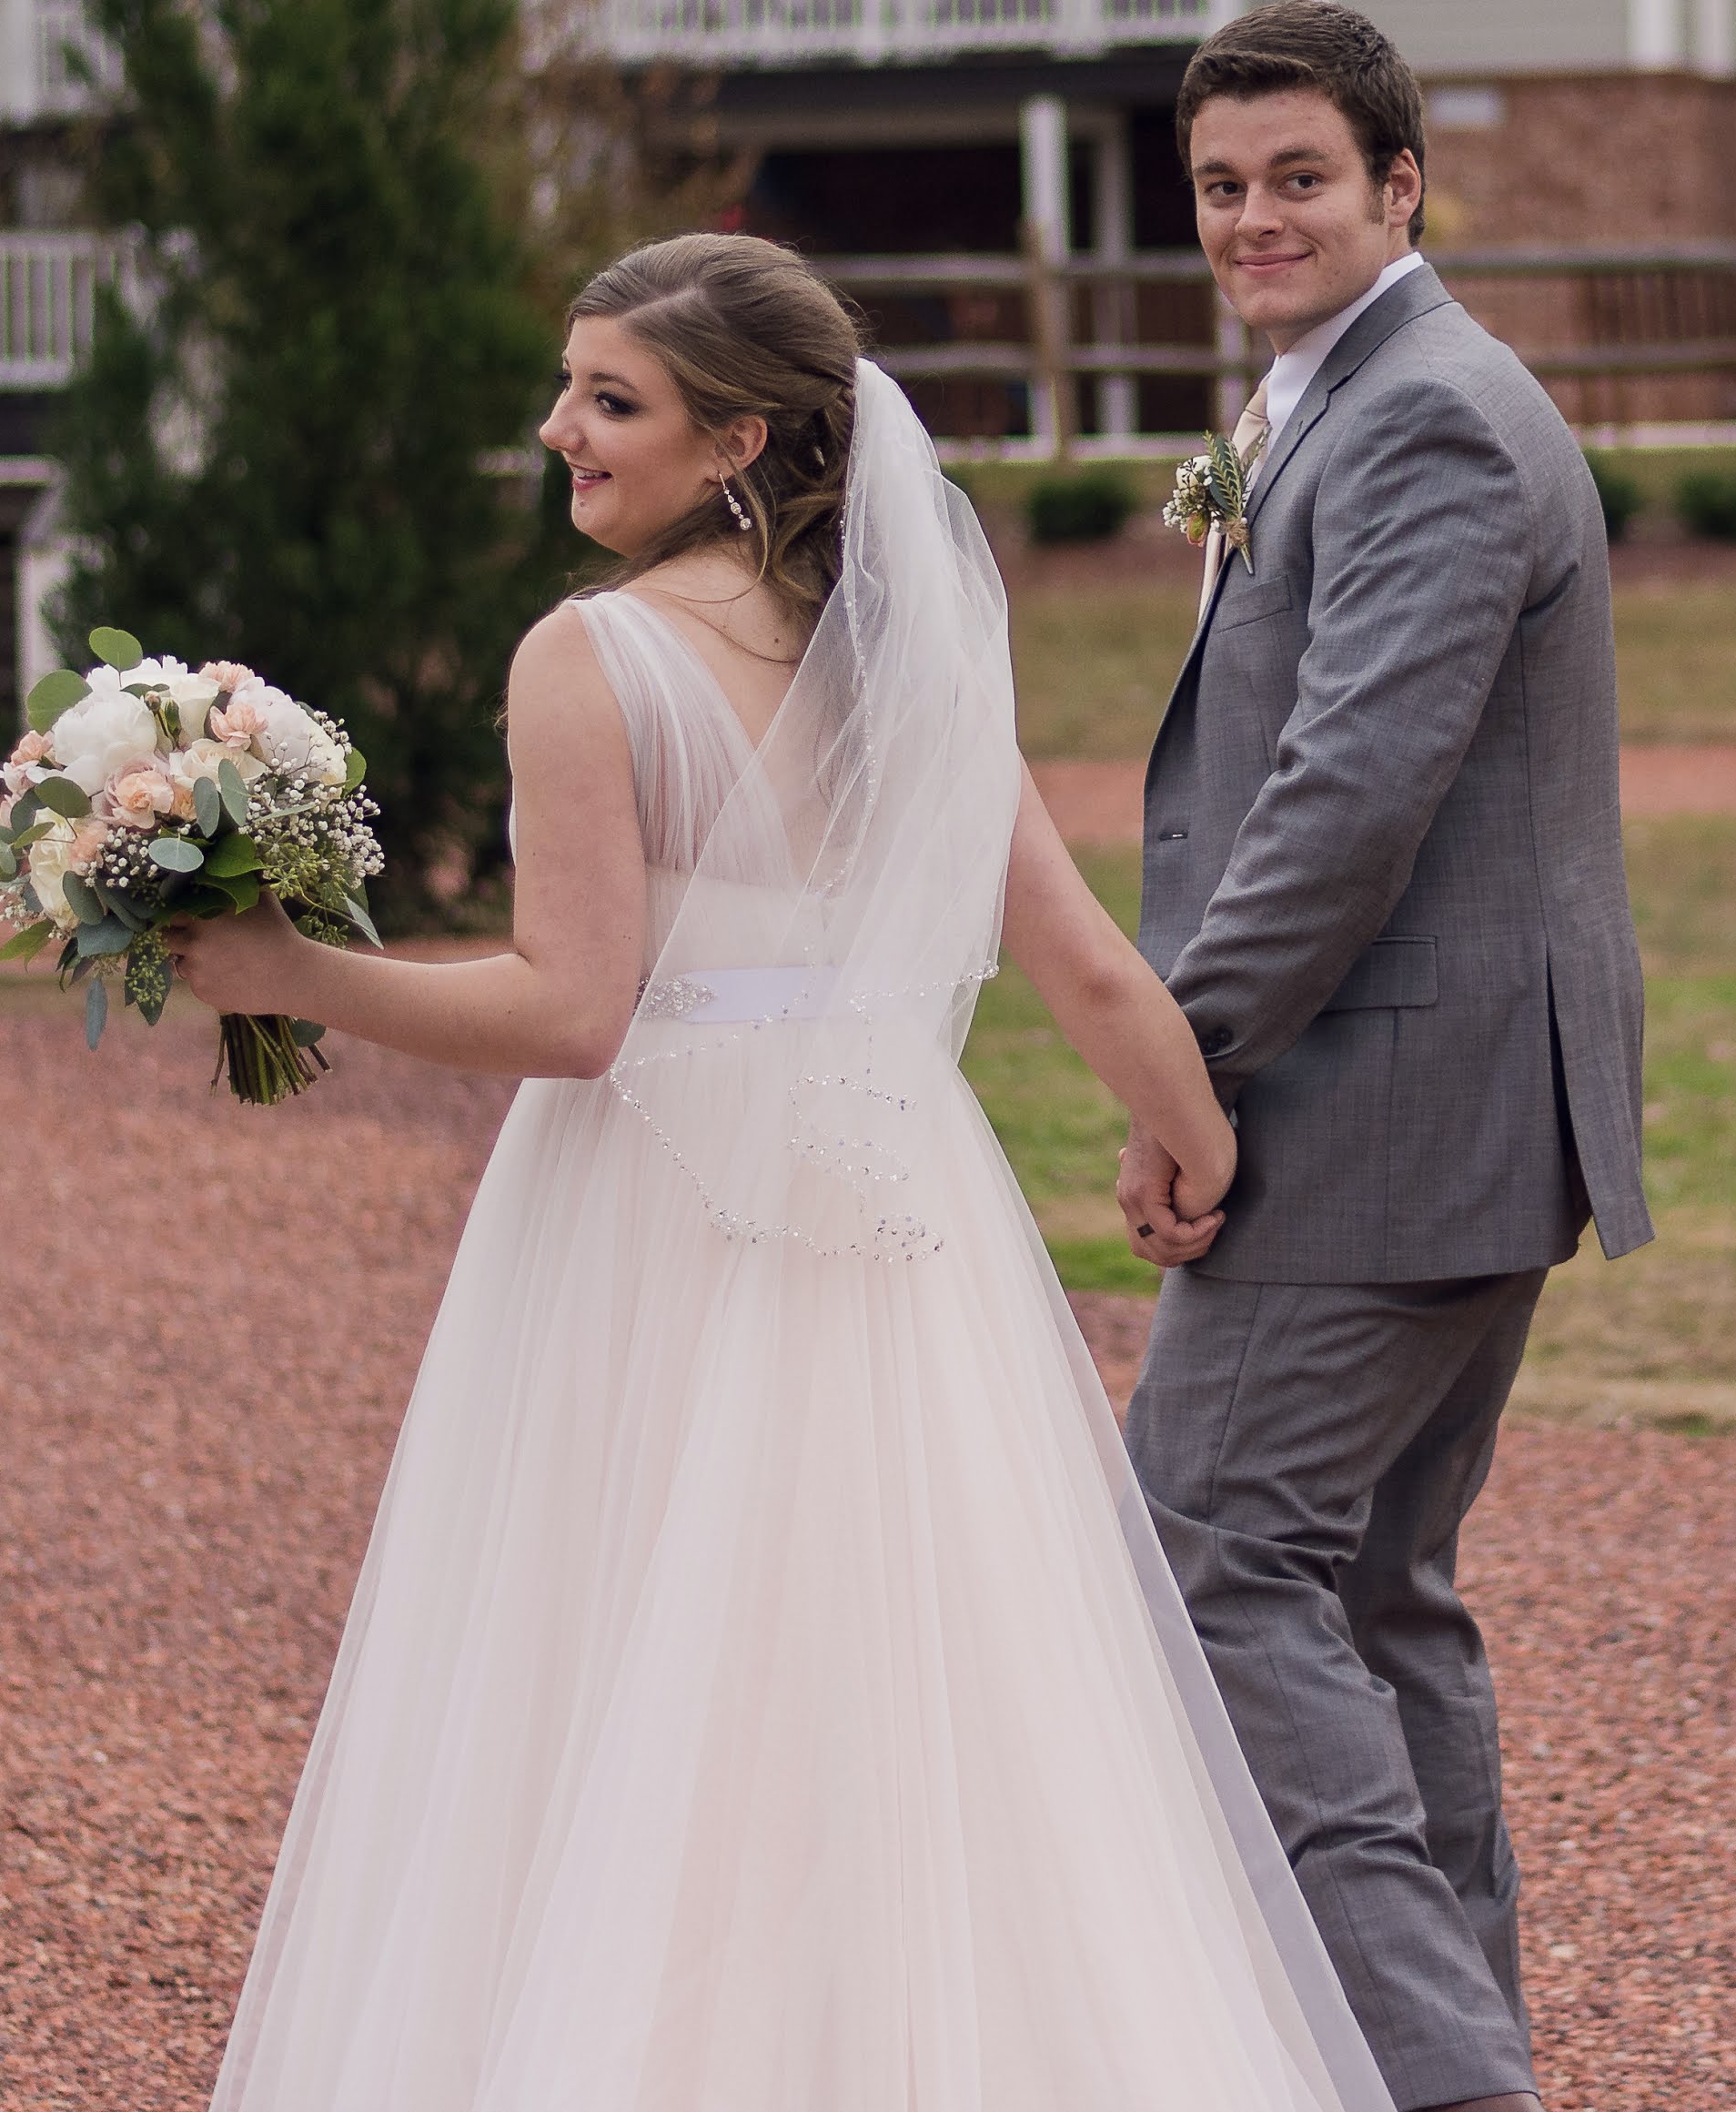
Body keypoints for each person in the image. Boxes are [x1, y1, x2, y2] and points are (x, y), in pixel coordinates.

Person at [168, 231, 1391, 2112]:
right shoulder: (902, 648)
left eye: (611, 400)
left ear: (738, 436)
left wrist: (282, 973)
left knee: (619, 1658)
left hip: (652, 1198)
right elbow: (1077, 957)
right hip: (903, 1205)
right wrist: (1195, 1147)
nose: (559, 427)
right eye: (571, 385)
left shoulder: (591, 657)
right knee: (903, 1675)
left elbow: (578, 1012)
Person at [1125, 0, 1652, 2112]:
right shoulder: (1327, 399)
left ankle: (1439, 2083)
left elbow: (1353, 792)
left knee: (1210, 1555)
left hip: (1375, 1108)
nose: (1256, 217)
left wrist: (1186, 1062)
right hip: (1447, 1109)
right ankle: (1440, 2053)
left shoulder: (1429, 414)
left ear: (1399, 182)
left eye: (1299, 178)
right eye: (1222, 188)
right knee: (1370, 1590)